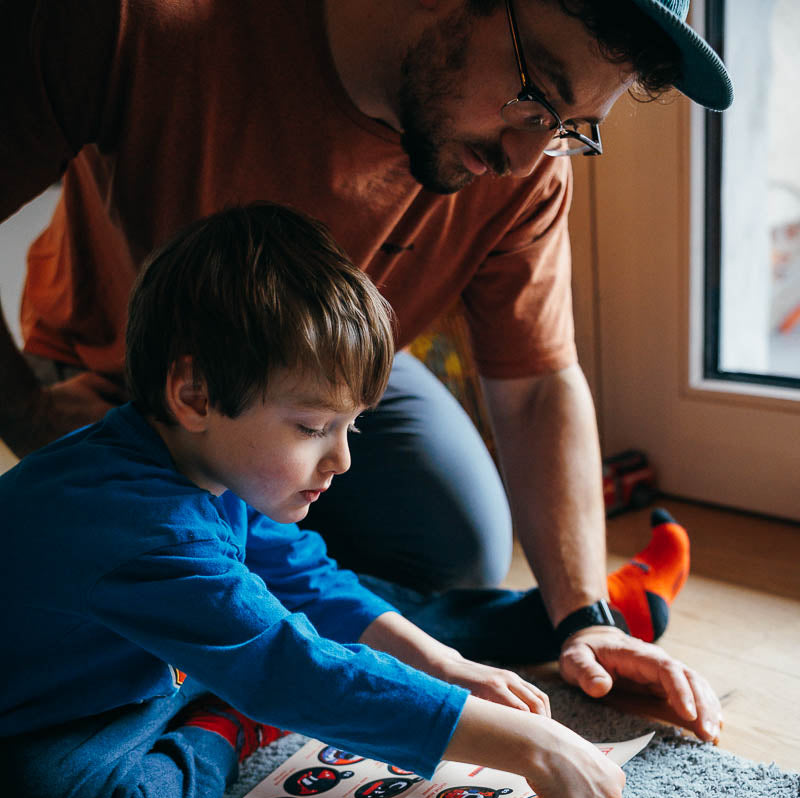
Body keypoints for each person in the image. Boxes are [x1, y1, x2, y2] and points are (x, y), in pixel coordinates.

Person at [0, 0, 730, 738]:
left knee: (460, 545)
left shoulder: (524, 170)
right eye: (537, 93)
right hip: (120, 378)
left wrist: (583, 617)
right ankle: (489, 625)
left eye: (571, 129)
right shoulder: (135, 20)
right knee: (186, 546)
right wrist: (23, 410)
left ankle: (564, 611)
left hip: (336, 376)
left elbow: (539, 382)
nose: (524, 155)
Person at [0, 203, 628, 798]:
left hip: (165, 654)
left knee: (307, 595)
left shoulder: (196, 459)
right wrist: (532, 744)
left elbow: (301, 574)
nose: (342, 460)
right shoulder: (139, 527)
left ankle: (533, 618)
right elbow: (299, 671)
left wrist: (445, 664)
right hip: (66, 714)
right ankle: (231, 716)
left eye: (350, 426)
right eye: (311, 428)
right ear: (194, 394)